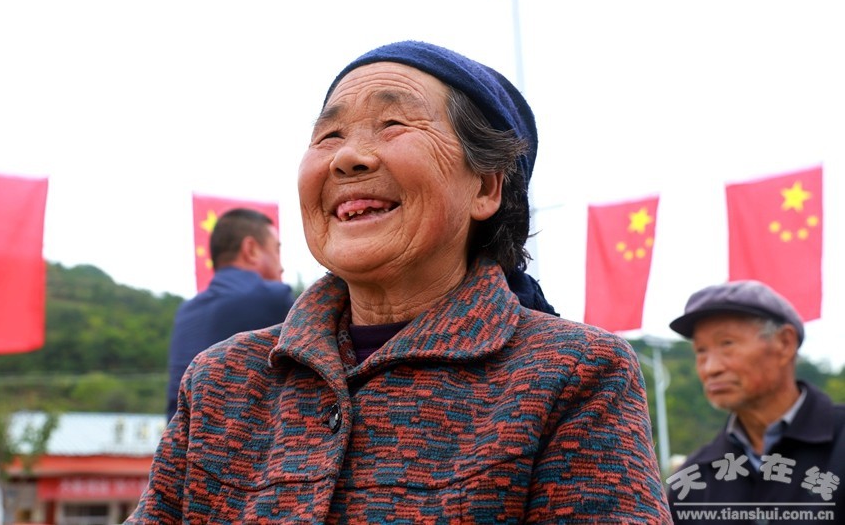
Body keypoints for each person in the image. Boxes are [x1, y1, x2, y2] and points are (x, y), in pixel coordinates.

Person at [129, 40, 671, 523]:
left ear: (486, 187)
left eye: (393, 125)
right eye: (329, 135)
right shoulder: (220, 380)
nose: (348, 157)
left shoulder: (576, 373)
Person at [666, 280, 844, 523]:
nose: (710, 368)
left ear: (784, 343)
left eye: (727, 344)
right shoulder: (694, 477)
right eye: (701, 351)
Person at [164, 207, 295, 421]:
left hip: (179, 436)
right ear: (251, 250)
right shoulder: (270, 298)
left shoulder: (186, 312)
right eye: (276, 250)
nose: (281, 267)